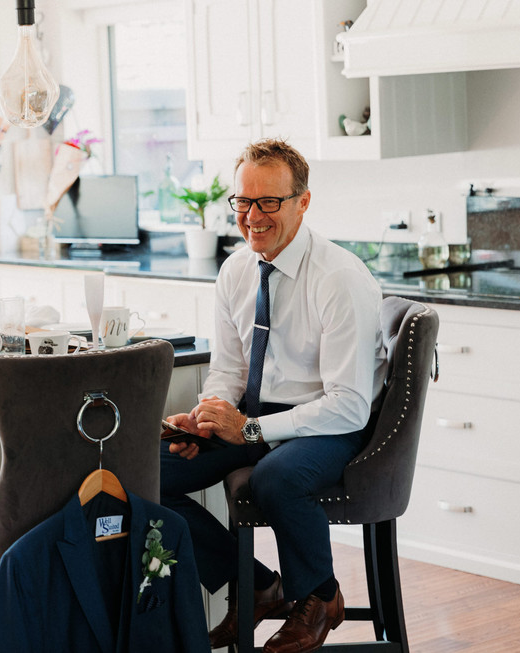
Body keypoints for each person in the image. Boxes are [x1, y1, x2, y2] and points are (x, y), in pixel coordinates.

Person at [160, 138, 387, 653]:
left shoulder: (339, 278)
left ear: (302, 202)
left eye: (268, 202)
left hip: (331, 424)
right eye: (243, 201)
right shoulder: (236, 270)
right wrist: (206, 415)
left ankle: (319, 597)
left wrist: (252, 430)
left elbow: (349, 403)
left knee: (276, 478)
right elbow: (230, 368)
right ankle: (259, 587)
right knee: (148, 471)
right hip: (258, 417)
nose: (253, 216)